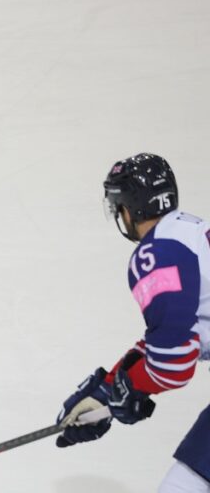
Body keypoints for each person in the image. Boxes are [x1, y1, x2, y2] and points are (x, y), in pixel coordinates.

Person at [55, 154, 209, 492]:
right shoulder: (190, 233)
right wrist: (108, 388)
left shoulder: (157, 254)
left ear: (131, 207)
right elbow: (171, 339)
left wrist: (125, 393)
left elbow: (173, 363)